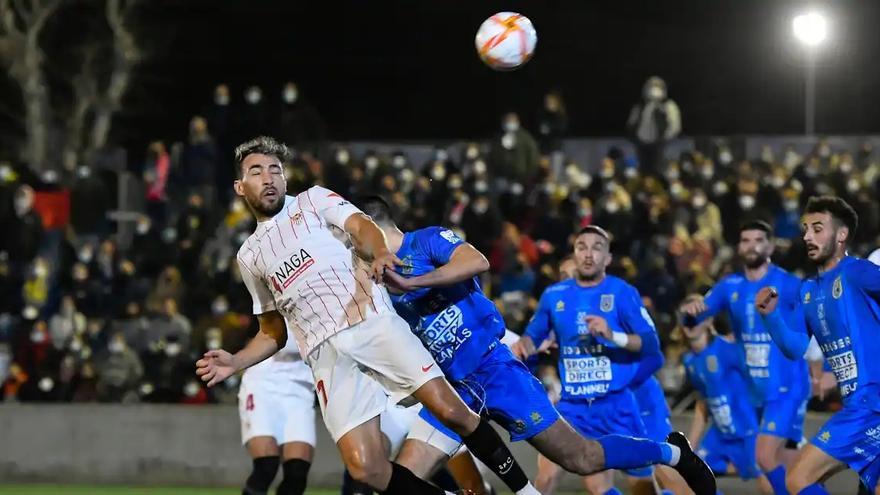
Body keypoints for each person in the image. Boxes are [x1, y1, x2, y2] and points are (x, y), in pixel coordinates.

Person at [195, 136, 539, 495]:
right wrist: (236, 361)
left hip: (371, 323)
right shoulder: (249, 256)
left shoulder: (313, 200)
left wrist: (377, 253)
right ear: (240, 186)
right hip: (325, 356)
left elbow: (362, 226)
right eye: (256, 172)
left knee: (451, 412)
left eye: (275, 170)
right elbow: (272, 332)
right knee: (366, 470)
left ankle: (526, 492)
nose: (268, 178)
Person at [357, 197, 714, 495]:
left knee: (581, 458)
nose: (350, 244)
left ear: (369, 226)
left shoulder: (426, 241)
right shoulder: (376, 276)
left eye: (352, 234)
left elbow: (476, 261)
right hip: (451, 388)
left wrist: (413, 281)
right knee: (399, 483)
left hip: (494, 369)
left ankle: (673, 453)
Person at [510, 225, 716, 495]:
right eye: (581, 248)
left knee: (655, 483)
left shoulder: (621, 293)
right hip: (574, 406)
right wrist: (527, 345)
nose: (587, 255)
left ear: (608, 258)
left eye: (596, 248)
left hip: (624, 402)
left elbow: (654, 350)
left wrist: (613, 339)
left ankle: (677, 458)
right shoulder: (555, 297)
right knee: (562, 478)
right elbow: (532, 335)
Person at [756, 196, 880, 495]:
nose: (807, 236)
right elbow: (795, 347)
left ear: (841, 235)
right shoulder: (809, 289)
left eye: (817, 228)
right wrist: (772, 317)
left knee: (799, 478)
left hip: (870, 402)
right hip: (858, 402)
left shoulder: (856, 272)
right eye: (805, 229)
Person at [681, 221, 814, 495]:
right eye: (745, 240)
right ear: (738, 246)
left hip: (787, 387)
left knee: (764, 457)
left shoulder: (788, 284)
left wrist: (819, 365)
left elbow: (813, 323)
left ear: (770, 245)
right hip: (755, 392)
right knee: (784, 471)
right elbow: (695, 318)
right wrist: (692, 310)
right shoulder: (729, 286)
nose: (751, 245)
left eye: (757, 239)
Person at [680, 296, 766, 493]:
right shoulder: (689, 361)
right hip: (719, 437)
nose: (690, 322)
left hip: (748, 433)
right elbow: (703, 403)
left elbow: (760, 379)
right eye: (686, 317)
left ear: (709, 320)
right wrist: (689, 447)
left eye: (697, 316)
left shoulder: (727, 350)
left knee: (770, 485)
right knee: (686, 475)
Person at [238, 324, 315, 495]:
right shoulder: (271, 298)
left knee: (297, 472)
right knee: (267, 464)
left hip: (300, 381)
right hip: (263, 377)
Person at [626, 76, 681, 177]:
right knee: (643, 170)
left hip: (659, 143)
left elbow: (675, 125)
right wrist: (634, 137)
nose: (653, 90)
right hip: (641, 143)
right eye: (651, 86)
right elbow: (632, 122)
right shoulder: (641, 106)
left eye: (657, 87)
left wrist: (665, 138)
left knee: (658, 170)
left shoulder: (668, 105)